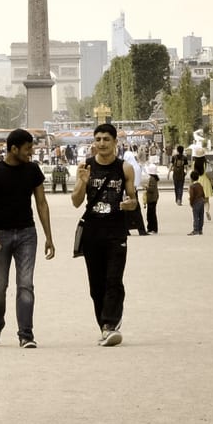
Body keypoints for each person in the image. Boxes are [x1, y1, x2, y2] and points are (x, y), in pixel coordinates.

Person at [0, 129, 55, 348]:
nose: (31, 152)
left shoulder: (33, 170)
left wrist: (49, 236)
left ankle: (26, 334)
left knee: (26, 284)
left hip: (27, 234)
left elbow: (41, 203)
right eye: (28, 148)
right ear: (14, 149)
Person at [71, 123, 138, 347]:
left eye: (106, 139)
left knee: (114, 279)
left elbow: (133, 199)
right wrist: (82, 181)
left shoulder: (125, 168)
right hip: (92, 232)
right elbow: (76, 201)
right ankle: (104, 326)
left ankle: (110, 324)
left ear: (115, 142)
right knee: (96, 285)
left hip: (116, 231)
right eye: (98, 139)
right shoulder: (85, 166)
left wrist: (130, 204)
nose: (101, 143)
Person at [122, 145, 147, 236]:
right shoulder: (136, 166)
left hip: (127, 190)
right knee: (135, 211)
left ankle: (126, 230)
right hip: (134, 189)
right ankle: (141, 229)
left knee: (126, 211)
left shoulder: (127, 167)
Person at [188, 170, 206, 235]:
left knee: (195, 216)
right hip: (201, 201)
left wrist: (191, 202)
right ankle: (200, 229)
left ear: (191, 178)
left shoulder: (192, 186)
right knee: (201, 216)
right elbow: (203, 194)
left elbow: (192, 196)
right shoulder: (200, 185)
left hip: (196, 202)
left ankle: (195, 229)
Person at [144, 161, 160, 234]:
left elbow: (152, 189)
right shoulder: (154, 178)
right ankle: (152, 228)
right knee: (151, 214)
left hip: (151, 198)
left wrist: (146, 187)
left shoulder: (152, 179)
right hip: (153, 198)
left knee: (150, 214)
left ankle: (152, 228)